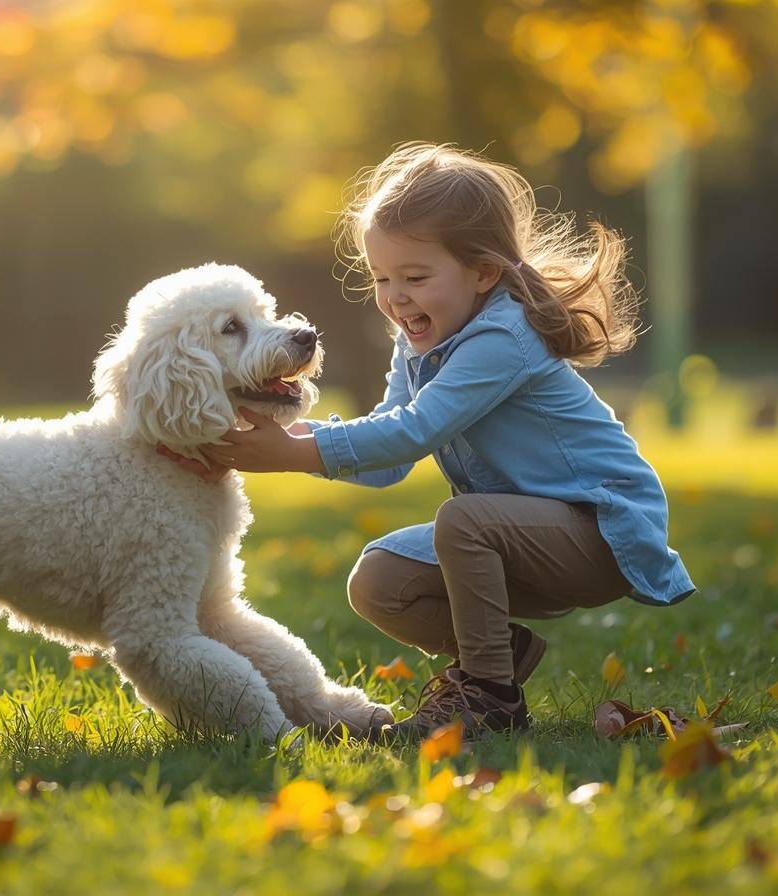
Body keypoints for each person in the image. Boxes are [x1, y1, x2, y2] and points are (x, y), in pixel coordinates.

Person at [178, 142, 695, 741]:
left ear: (483, 272)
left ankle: (490, 696)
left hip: (602, 529)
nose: (395, 297)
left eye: (416, 277)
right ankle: (499, 657)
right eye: (381, 278)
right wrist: (288, 438)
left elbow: (413, 431)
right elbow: (388, 457)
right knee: (379, 582)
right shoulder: (418, 341)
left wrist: (295, 453)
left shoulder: (503, 338)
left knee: (464, 520)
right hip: (523, 534)